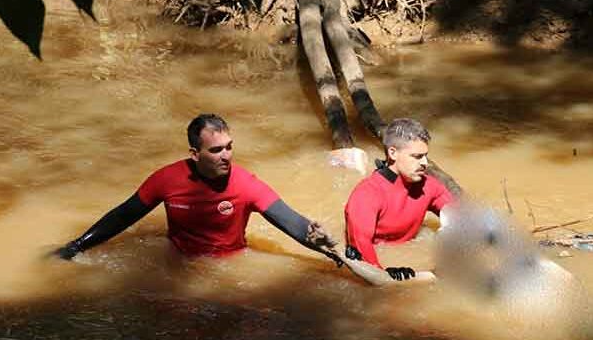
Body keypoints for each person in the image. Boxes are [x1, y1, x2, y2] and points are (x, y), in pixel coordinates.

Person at [54, 113, 341, 263]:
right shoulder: (166, 180)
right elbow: (123, 216)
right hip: (179, 262)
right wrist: (76, 246)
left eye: (229, 147)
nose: (226, 156)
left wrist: (323, 244)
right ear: (195, 154)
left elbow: (289, 220)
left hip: (231, 266)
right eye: (216, 150)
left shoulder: (247, 185)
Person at [344, 118, 455, 281]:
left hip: (408, 251)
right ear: (393, 153)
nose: (425, 163)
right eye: (417, 156)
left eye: (425, 156)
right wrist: (386, 274)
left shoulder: (430, 187)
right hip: (379, 260)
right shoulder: (366, 195)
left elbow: (462, 220)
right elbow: (368, 266)